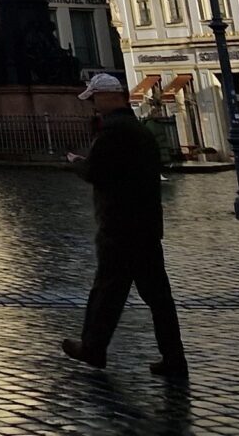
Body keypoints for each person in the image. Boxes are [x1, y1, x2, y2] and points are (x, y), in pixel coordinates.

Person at [60, 74, 187, 380]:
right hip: (145, 225)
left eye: (94, 99)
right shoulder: (140, 131)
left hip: (119, 226)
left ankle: (93, 348)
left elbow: (97, 171)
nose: (92, 105)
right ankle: (174, 357)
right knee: (157, 297)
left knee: (107, 290)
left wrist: (77, 161)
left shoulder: (114, 132)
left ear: (108, 97)